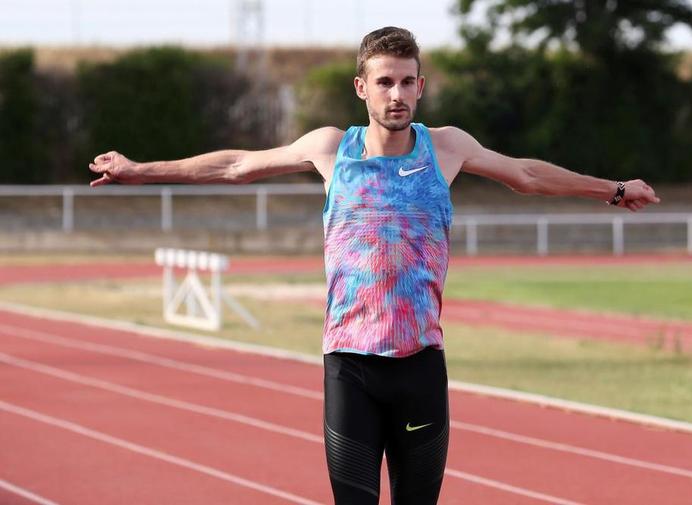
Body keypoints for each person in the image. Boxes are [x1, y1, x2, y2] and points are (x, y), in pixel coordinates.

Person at [89, 26, 659, 505]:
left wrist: (612, 190)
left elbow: (528, 176)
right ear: (362, 87)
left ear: (421, 86)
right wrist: (140, 170)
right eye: (385, 82)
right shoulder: (333, 148)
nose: (397, 94)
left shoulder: (446, 148)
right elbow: (238, 164)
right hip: (350, 368)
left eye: (408, 81)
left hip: (419, 367)